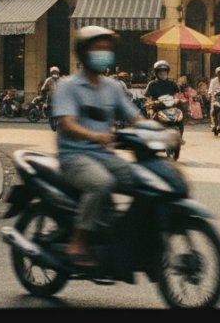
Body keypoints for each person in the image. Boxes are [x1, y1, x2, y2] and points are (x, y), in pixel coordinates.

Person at [52, 25, 145, 268]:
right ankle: (78, 242)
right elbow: (67, 124)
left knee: (141, 180)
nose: (104, 52)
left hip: (103, 156)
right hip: (74, 157)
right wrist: (96, 136)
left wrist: (161, 133)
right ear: (83, 52)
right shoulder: (68, 86)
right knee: (101, 183)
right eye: (98, 47)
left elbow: (135, 118)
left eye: (107, 48)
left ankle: (123, 234)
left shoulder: (112, 87)